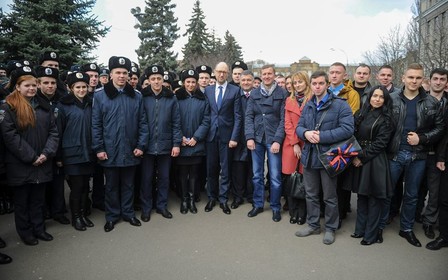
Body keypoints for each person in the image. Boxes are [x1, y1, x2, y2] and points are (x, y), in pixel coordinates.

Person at [381, 63, 444, 247]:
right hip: (394, 154)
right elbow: (383, 125)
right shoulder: (391, 99)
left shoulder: (431, 102)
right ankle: (380, 225)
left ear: (422, 79)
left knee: (412, 195)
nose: (414, 81)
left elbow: (440, 128)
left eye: (418, 78)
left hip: (418, 156)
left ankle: (406, 229)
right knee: (387, 192)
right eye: (410, 77)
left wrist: (422, 138)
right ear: (403, 78)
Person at [0, 66, 59, 245]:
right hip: (21, 164)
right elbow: (10, 136)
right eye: (27, 85)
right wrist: (32, 157)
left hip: (42, 161)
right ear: (18, 87)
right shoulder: (8, 106)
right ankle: (25, 232)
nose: (32, 89)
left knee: (38, 200)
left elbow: (53, 132)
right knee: (22, 201)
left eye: (34, 85)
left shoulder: (44, 105)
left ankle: (39, 229)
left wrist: (45, 154)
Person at [295, 70, 354, 245]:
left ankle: (330, 228)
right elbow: (299, 126)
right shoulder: (309, 104)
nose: (317, 86)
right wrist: (305, 133)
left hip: (329, 157)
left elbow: (348, 129)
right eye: (314, 84)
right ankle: (313, 225)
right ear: (311, 85)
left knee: (329, 196)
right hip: (309, 157)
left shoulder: (340, 105)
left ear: (327, 84)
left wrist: (322, 136)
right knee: (311, 194)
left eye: (321, 83)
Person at [92, 56, 149, 232]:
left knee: (128, 184)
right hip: (109, 149)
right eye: (118, 72)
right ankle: (112, 216)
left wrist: (141, 145)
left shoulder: (136, 96)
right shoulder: (100, 95)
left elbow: (143, 123)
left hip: (131, 149)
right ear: (111, 75)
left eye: (125, 73)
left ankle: (128, 213)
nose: (122, 76)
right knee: (110, 186)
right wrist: (99, 148)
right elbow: (96, 124)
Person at [346, 85, 394, 245]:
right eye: (375, 96)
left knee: (373, 199)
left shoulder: (387, 118)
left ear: (385, 100)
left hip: (375, 161)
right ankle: (359, 230)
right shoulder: (361, 113)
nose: (377, 99)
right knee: (361, 196)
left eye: (381, 97)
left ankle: (371, 235)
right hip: (358, 157)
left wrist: (361, 157)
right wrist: (354, 155)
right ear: (370, 97)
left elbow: (381, 144)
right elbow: (352, 135)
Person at [245, 65, 287, 222]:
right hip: (257, 138)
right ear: (260, 76)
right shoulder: (254, 93)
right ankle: (258, 204)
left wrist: (277, 140)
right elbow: (248, 116)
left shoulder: (282, 93)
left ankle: (276, 207)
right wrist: (249, 137)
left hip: (273, 139)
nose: (267, 76)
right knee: (257, 175)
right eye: (264, 74)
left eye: (270, 74)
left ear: (274, 75)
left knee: (275, 176)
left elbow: (284, 119)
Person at [139, 65, 181, 221]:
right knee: (147, 178)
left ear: (163, 80)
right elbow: (139, 122)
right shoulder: (142, 97)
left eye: (159, 79)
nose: (156, 81)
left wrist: (176, 144)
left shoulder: (171, 98)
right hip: (147, 146)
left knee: (164, 178)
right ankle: (146, 208)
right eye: (153, 79)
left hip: (165, 144)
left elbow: (176, 123)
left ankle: (162, 206)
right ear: (148, 80)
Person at [56, 72, 95, 231]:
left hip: (89, 152)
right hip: (72, 153)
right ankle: (76, 217)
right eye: (77, 87)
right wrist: (59, 156)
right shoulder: (63, 106)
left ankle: (83, 214)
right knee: (77, 187)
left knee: (86, 186)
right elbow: (58, 132)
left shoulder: (91, 104)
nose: (81, 90)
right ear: (70, 88)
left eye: (84, 87)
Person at [204, 62, 241, 215]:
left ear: (228, 74)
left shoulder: (235, 90)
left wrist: (234, 137)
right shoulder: (208, 90)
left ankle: (223, 199)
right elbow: (206, 114)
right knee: (211, 169)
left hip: (227, 137)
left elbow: (238, 116)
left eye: (224, 72)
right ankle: (211, 197)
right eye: (219, 71)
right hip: (210, 135)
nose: (221, 75)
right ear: (214, 72)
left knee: (225, 170)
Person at [328, 62, 360, 228]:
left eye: (338, 72)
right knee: (328, 181)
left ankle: (339, 215)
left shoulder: (352, 94)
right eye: (332, 72)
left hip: (342, 143)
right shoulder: (324, 91)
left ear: (344, 75)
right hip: (326, 141)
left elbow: (351, 118)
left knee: (340, 182)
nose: (334, 75)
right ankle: (328, 213)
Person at [418, 68, 448, 239]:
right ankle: (414, 215)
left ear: (446, 82)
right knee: (415, 188)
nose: (438, 82)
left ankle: (429, 221)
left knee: (434, 191)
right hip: (419, 149)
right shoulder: (421, 100)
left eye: (442, 79)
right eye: (435, 78)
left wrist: (441, 156)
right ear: (429, 81)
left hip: (438, 154)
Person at [175, 69, 210, 214]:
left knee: (195, 174)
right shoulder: (176, 98)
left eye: (193, 82)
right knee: (183, 174)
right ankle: (184, 200)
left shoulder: (202, 99)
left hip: (196, 143)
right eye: (188, 82)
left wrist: (196, 137)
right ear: (183, 83)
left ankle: (191, 198)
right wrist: (180, 137)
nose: (190, 84)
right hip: (182, 143)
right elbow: (174, 120)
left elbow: (206, 120)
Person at [282, 71, 311, 225]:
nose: (297, 85)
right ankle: (293, 212)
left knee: (305, 180)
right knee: (291, 180)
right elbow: (288, 123)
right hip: (291, 145)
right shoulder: (289, 100)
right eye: (295, 83)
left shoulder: (312, 99)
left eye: (300, 82)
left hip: (308, 143)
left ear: (306, 82)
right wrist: (294, 144)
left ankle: (303, 213)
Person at [232, 70, 255, 209]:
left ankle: (251, 195)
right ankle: (238, 196)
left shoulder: (257, 95)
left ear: (253, 82)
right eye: (243, 80)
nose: (246, 83)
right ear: (240, 81)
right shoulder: (235, 95)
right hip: (238, 137)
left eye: (249, 80)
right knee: (238, 168)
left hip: (253, 137)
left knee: (253, 169)